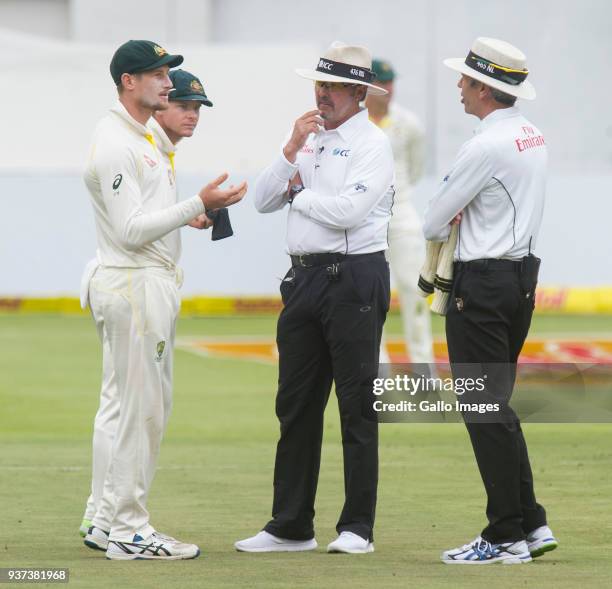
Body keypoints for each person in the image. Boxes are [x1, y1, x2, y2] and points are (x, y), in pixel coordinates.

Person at [82, 40, 246, 560]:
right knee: (143, 411)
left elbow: (144, 217)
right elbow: (130, 230)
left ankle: (106, 520)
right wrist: (200, 202)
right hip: (134, 282)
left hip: (142, 278)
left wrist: (189, 214)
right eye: (156, 74)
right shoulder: (117, 142)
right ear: (128, 81)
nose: (168, 83)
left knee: (134, 407)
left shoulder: (141, 138)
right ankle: (130, 530)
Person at [235, 41, 394, 555]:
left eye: (330, 87)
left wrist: (299, 193)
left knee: (355, 405)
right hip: (303, 279)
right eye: (317, 86)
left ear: (356, 93)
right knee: (296, 404)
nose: (320, 95)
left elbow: (348, 212)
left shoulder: (372, 142)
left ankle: (357, 528)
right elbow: (261, 200)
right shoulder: (305, 136)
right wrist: (288, 155)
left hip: (353, 279)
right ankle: (290, 525)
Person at [423, 37, 557, 564]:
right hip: (520, 280)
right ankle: (531, 522)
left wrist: (457, 209)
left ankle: (505, 535)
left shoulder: (484, 144)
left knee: (483, 407)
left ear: (484, 87)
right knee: (496, 405)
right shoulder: (531, 135)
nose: (459, 85)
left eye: (465, 79)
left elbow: (434, 219)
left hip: (482, 284)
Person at [366, 59, 435, 368]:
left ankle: (423, 368)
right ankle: (378, 369)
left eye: (392, 81)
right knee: (370, 295)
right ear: (367, 86)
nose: (389, 88)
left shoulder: (409, 124)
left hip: (402, 212)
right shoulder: (354, 122)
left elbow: (417, 169)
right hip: (364, 218)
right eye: (383, 82)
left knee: (415, 289)